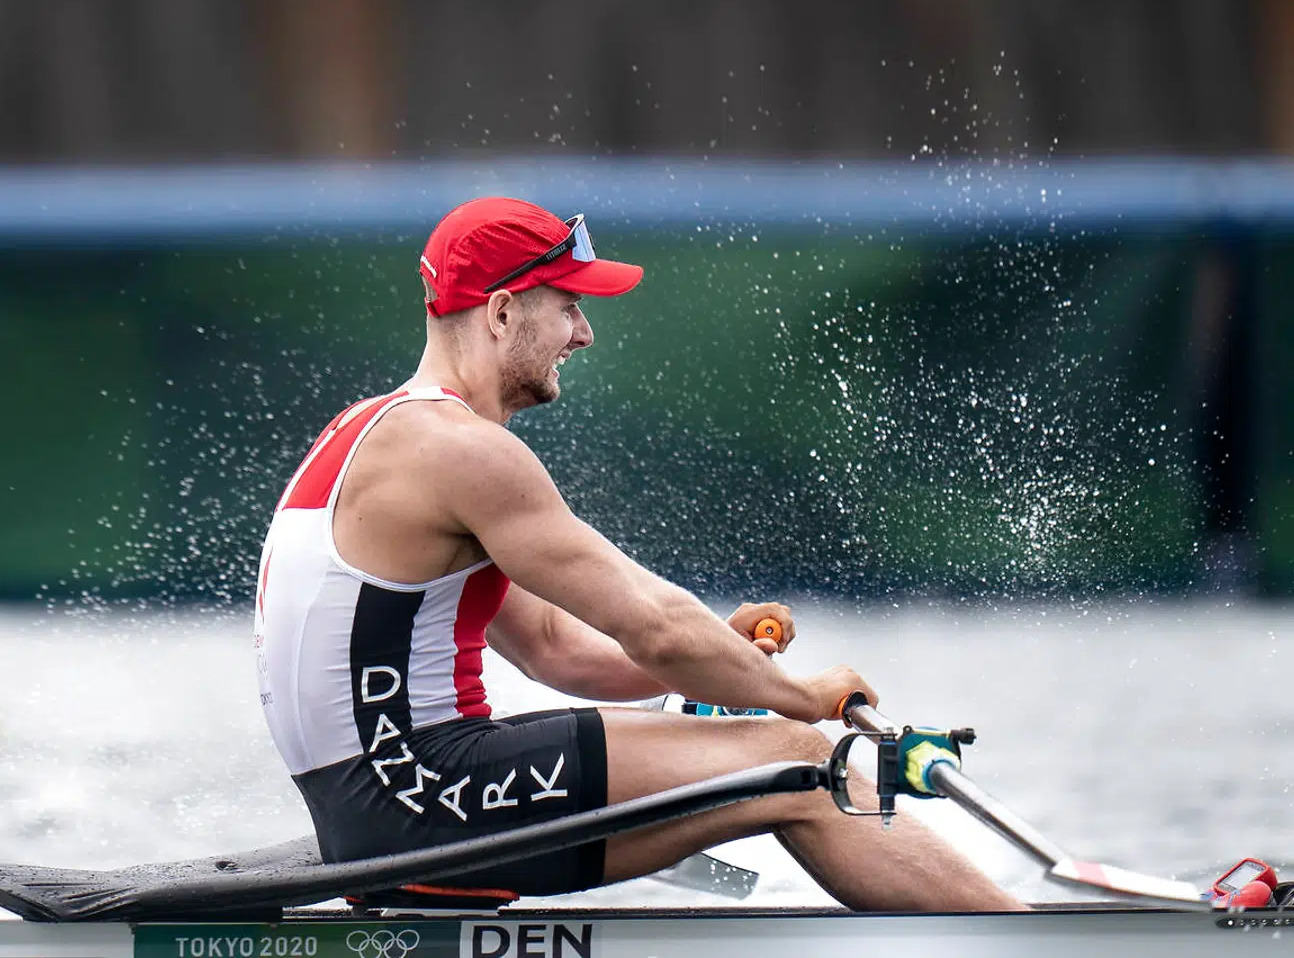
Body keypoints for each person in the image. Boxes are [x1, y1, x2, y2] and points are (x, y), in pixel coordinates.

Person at [253, 196, 1021, 911]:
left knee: (777, 752)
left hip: (373, 809)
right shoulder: (463, 452)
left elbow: (556, 647)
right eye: (568, 306)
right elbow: (655, 627)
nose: (583, 334)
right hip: (421, 794)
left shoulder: (368, 430)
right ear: (502, 312)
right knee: (796, 762)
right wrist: (802, 695)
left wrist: (724, 656)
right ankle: (1024, 941)